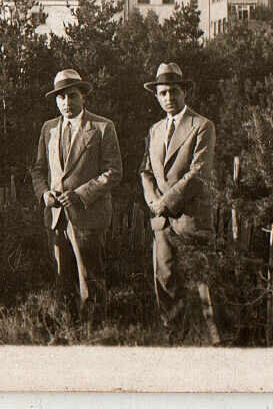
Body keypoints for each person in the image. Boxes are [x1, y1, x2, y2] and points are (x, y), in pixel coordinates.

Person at [30, 69, 122, 321]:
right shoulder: (48, 129)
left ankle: (95, 334)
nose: (66, 102)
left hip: (88, 217)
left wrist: (81, 195)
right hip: (56, 218)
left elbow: (114, 171)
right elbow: (38, 169)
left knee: (90, 279)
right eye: (61, 97)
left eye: (72, 96)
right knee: (63, 281)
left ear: (83, 97)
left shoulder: (102, 127)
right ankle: (67, 332)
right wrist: (44, 194)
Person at [139, 62, 218, 340]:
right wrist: (154, 203)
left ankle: (214, 341)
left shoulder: (202, 126)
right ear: (157, 97)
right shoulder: (155, 130)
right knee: (166, 282)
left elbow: (198, 174)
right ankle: (174, 338)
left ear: (184, 92)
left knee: (201, 285)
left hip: (191, 220)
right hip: (161, 222)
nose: (169, 98)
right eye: (163, 93)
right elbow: (145, 170)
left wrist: (167, 202)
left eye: (174, 91)